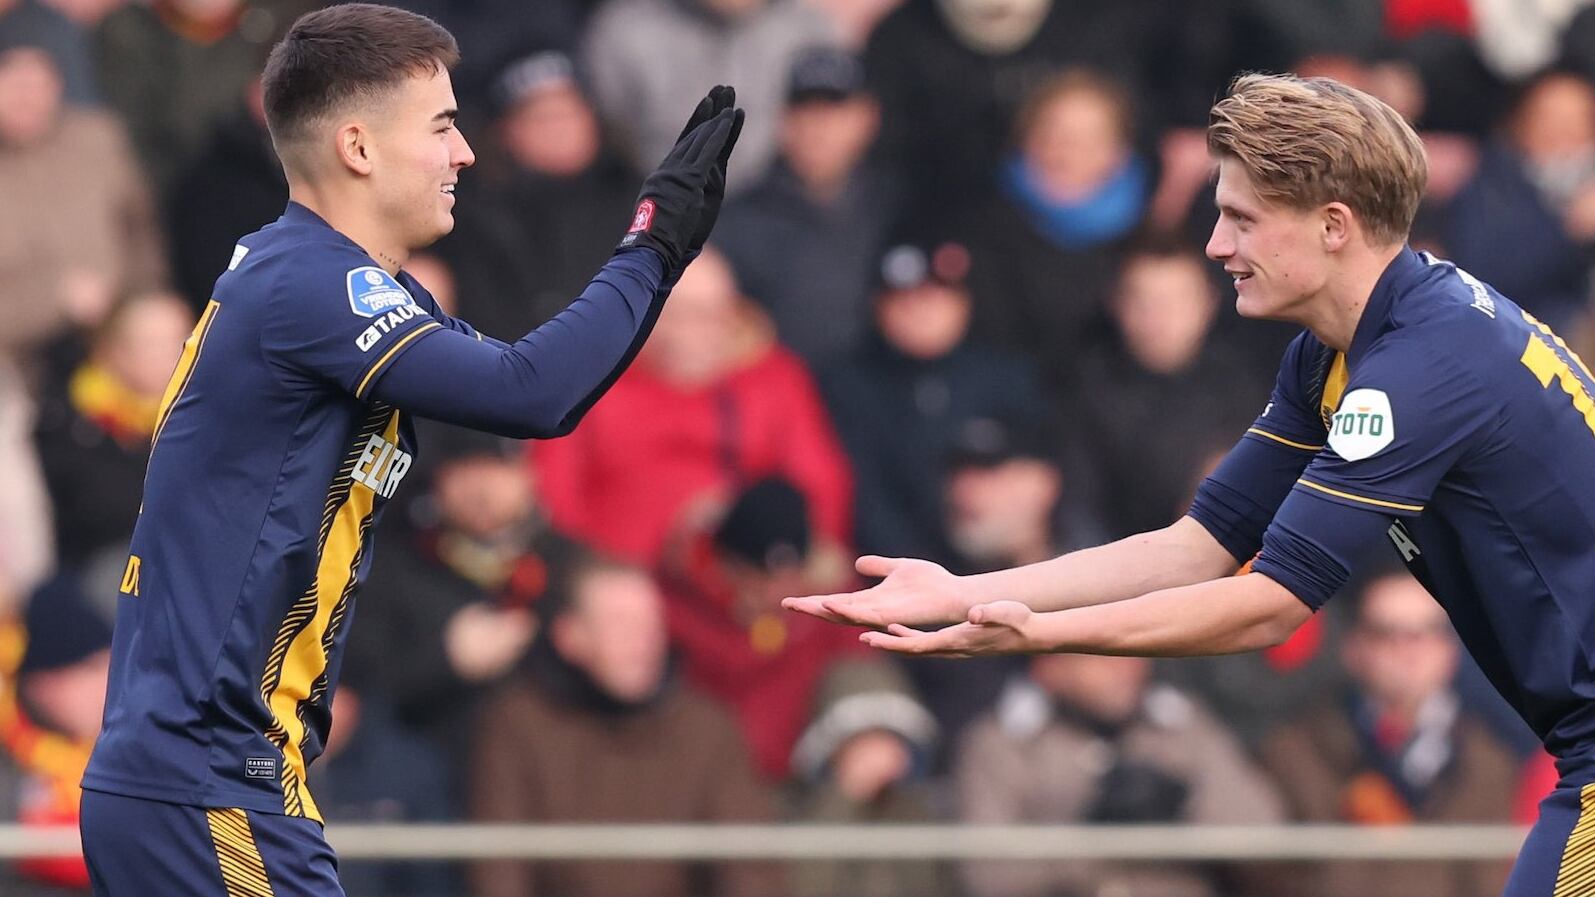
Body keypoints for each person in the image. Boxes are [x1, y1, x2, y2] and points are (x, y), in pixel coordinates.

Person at [786, 71, 1595, 896]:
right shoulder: (1344, 347)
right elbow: (1198, 546)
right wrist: (964, 593)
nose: (1214, 245)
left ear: (1333, 226)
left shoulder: (1416, 368)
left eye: (1241, 218)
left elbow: (1270, 603)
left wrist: (1034, 634)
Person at [76, 5, 744, 895]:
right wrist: (650, 243)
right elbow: (532, 392)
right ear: (358, 147)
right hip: (208, 780)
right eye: (440, 126)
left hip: (214, 778)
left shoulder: (322, 283)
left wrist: (657, 255)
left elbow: (540, 380)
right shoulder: (313, 284)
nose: (464, 152)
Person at [469, 551, 779, 897]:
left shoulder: (707, 728)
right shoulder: (518, 725)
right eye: (620, 624)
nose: (641, 640)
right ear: (570, 635)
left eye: (650, 624)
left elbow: (749, 869)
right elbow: (499, 867)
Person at [1257, 565, 1519, 897]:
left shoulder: (1489, 761)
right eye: (1387, 633)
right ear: (1354, 647)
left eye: (1426, 632)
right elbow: (1274, 874)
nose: (1408, 651)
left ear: (1450, 650)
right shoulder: (1294, 751)